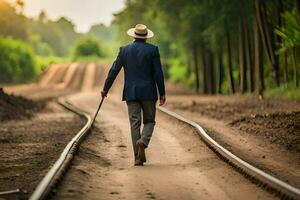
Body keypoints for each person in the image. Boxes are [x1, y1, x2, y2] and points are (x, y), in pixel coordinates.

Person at [101, 24, 166, 166]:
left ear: (134, 35)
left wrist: (105, 88)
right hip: (148, 93)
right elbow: (158, 73)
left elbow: (114, 70)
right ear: (146, 36)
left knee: (134, 124)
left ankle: (137, 158)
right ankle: (143, 141)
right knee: (149, 121)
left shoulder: (124, 50)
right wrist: (162, 93)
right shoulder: (152, 50)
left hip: (131, 93)